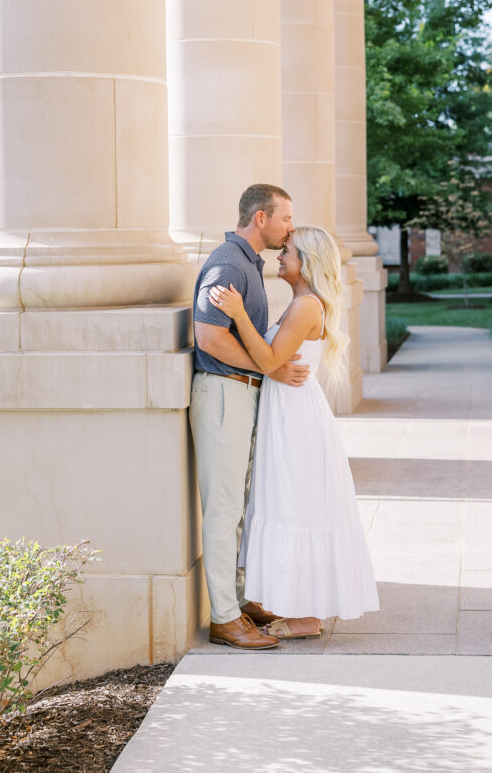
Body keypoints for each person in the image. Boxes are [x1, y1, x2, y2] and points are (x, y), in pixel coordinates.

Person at [210, 225, 379, 639]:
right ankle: (298, 608)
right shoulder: (301, 302)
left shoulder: (307, 306)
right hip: (287, 413)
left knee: (296, 506)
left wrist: (237, 315)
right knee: (290, 504)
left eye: (287, 251)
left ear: (307, 261)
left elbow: (268, 360)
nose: (280, 256)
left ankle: (306, 617)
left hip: (296, 420)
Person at [190, 183, 309, 650]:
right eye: (285, 219)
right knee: (222, 510)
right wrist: (270, 367)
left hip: (238, 395)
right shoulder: (227, 263)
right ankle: (223, 618)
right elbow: (210, 338)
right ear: (260, 218)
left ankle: (238, 602)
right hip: (222, 395)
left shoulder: (246, 265)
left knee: (236, 508)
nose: (290, 228)